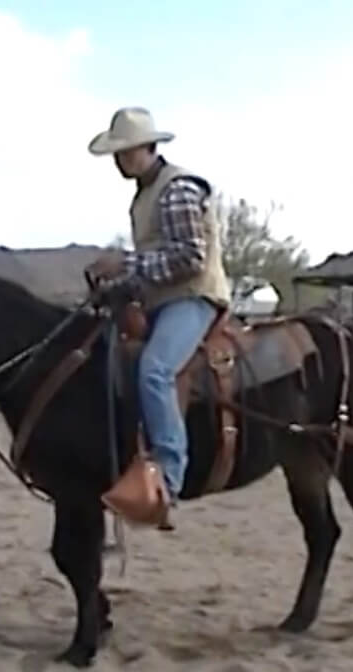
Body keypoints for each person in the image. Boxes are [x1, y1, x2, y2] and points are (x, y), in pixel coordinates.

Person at [85, 106, 231, 526]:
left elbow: (189, 258)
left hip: (193, 298)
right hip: (161, 301)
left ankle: (168, 476)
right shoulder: (145, 196)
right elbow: (155, 264)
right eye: (117, 154)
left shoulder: (176, 189)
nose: (120, 160)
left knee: (155, 370)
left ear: (148, 148)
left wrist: (126, 263)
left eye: (127, 151)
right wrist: (115, 289)